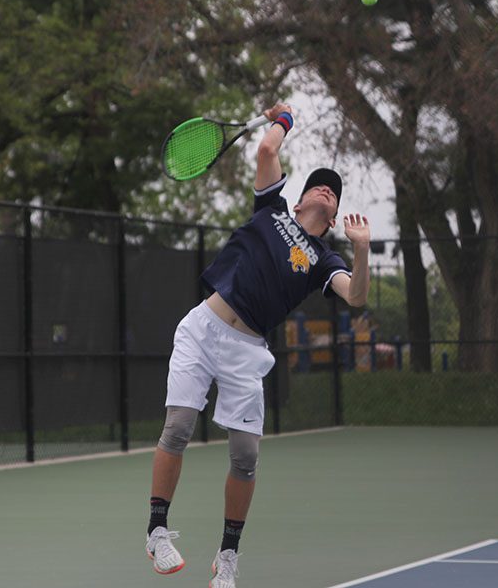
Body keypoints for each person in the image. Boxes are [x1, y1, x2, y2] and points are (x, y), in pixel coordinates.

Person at [144, 103, 371, 587]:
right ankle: (157, 530)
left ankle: (227, 557)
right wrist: (283, 118)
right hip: (203, 328)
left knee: (245, 456)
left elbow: (356, 296)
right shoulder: (271, 209)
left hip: (246, 352)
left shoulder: (322, 259)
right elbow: (268, 147)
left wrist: (363, 249)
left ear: (332, 217)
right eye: (318, 183)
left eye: (334, 190)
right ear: (301, 195)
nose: (326, 188)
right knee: (179, 425)